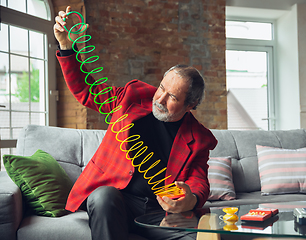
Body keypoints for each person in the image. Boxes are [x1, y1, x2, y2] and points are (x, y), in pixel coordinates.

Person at [54, 6, 217, 240]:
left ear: (190, 105)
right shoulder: (133, 95)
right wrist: (67, 47)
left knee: (196, 238)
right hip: (115, 200)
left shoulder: (200, 138)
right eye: (162, 88)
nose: (159, 99)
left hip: (158, 212)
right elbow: (85, 90)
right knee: (103, 197)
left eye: (172, 97)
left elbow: (199, 181)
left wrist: (189, 199)